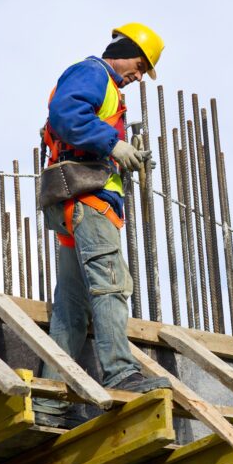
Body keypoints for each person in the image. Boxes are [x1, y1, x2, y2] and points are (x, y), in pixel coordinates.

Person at [33, 23, 171, 428]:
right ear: (123, 50)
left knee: (72, 310)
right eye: (140, 65)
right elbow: (65, 114)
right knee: (111, 285)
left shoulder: (109, 89)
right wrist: (113, 145)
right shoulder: (94, 73)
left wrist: (121, 153)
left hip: (76, 203)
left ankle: (50, 402)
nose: (139, 75)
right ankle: (121, 372)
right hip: (88, 202)